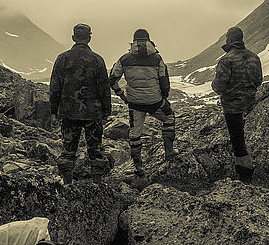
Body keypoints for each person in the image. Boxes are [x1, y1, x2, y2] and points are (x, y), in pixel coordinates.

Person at [109, 29, 178, 176]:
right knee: (169, 117)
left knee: (135, 134)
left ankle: (138, 168)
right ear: (149, 40)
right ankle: (169, 151)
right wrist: (163, 97)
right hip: (155, 101)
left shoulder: (124, 59)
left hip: (134, 102)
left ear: (133, 42)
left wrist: (122, 95)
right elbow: (164, 81)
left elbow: (113, 79)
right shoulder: (157, 58)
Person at [50, 23, 111, 184]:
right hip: (93, 112)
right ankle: (97, 184)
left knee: (68, 149)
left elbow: (55, 86)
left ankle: (67, 183)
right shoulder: (97, 60)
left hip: (69, 111)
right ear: (89, 38)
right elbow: (104, 87)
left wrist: (54, 110)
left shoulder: (62, 58)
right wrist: (106, 111)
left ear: (73, 37)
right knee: (95, 149)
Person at [212, 26, 262, 180]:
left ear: (230, 39)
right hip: (251, 104)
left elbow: (219, 85)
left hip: (232, 107)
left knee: (237, 140)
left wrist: (215, 86)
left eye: (227, 37)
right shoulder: (254, 57)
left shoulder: (227, 59)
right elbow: (258, 81)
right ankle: (247, 169)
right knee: (247, 138)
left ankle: (244, 173)